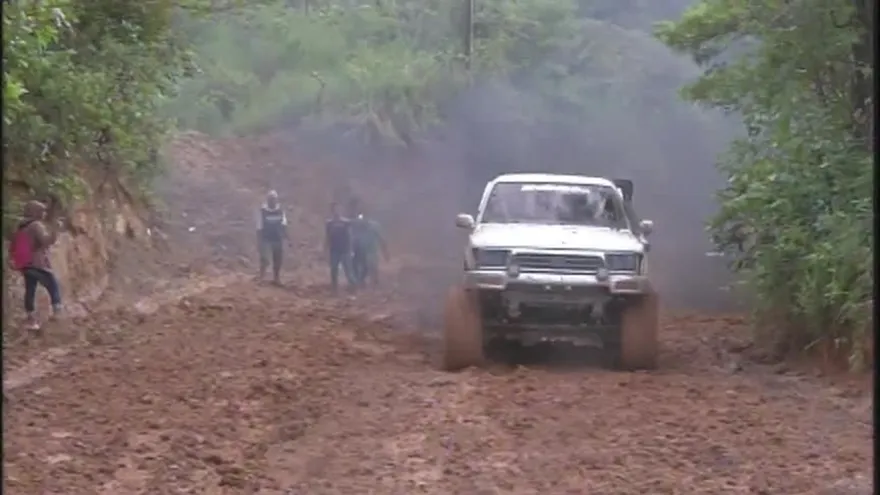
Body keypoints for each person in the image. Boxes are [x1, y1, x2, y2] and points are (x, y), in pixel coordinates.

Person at [8, 200, 63, 331]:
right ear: (35, 212)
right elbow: (45, 241)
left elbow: (12, 247)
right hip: (38, 264)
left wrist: (13, 261)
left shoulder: (20, 226)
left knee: (30, 290)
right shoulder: (36, 225)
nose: (43, 213)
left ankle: (31, 318)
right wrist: (56, 230)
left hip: (25, 265)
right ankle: (57, 311)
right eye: (41, 211)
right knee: (53, 284)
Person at [256, 190, 290, 285]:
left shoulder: (280, 210)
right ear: (268, 200)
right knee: (264, 258)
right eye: (271, 199)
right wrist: (258, 241)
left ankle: (276, 278)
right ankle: (261, 278)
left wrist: (286, 238)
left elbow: (284, 224)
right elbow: (259, 227)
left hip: (277, 238)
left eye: (274, 199)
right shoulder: (263, 211)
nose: (272, 201)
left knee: (278, 259)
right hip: (266, 238)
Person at [350, 207, 389, 287]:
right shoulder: (356, 226)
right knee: (359, 267)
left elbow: (381, 239)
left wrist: (385, 251)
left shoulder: (375, 226)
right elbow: (352, 238)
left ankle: (374, 283)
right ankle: (361, 282)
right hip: (360, 251)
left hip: (372, 251)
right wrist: (352, 250)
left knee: (372, 267)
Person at [324, 202, 355, 293]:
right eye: (335, 209)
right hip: (334, 250)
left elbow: (350, 236)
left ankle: (353, 287)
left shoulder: (346, 222)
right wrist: (325, 248)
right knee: (334, 269)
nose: (337, 211)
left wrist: (351, 249)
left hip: (345, 249)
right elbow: (327, 236)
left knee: (348, 270)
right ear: (332, 211)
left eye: (338, 209)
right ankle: (334, 289)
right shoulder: (329, 223)